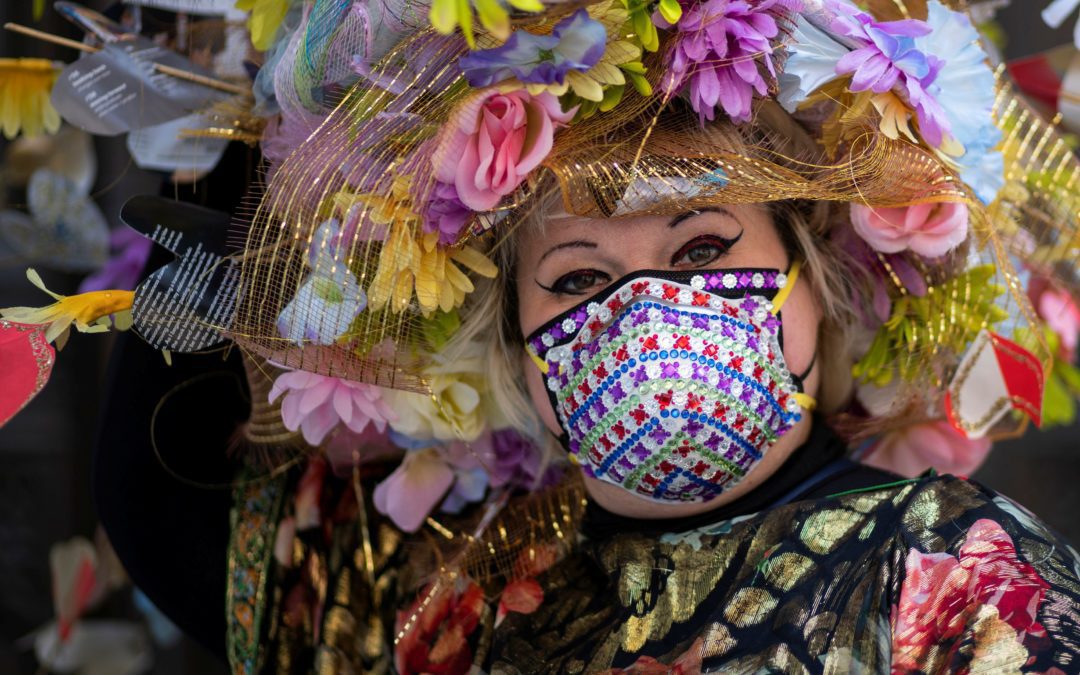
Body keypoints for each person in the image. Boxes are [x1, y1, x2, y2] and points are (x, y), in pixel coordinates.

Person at [5, 0, 1078, 672]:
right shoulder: (460, 598)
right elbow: (163, 507)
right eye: (577, 275)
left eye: (703, 250)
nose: (648, 308)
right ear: (509, 344)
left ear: (822, 283)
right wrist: (261, 148)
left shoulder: (950, 569)